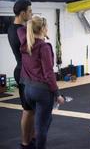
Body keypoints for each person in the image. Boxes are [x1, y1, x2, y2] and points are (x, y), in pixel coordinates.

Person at [18, 16, 65, 149]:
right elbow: (49, 73)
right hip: (41, 92)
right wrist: (58, 94)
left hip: (27, 90)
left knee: (44, 120)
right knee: (42, 127)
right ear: (43, 28)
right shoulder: (44, 47)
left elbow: (20, 29)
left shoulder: (25, 43)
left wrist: (31, 24)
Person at [7, 0, 35, 148]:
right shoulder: (20, 30)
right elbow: (30, 49)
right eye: (30, 11)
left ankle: (32, 138)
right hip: (24, 72)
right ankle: (25, 142)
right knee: (28, 110)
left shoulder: (13, 28)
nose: (31, 14)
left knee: (32, 109)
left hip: (25, 71)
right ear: (23, 13)